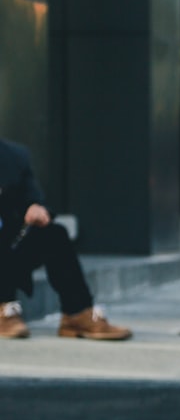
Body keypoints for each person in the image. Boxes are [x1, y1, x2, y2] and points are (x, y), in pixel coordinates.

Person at [0, 138, 131, 340]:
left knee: (54, 234)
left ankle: (77, 314)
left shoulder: (14, 156)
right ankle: (3, 307)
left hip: (7, 248)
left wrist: (36, 208)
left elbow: (34, 200)